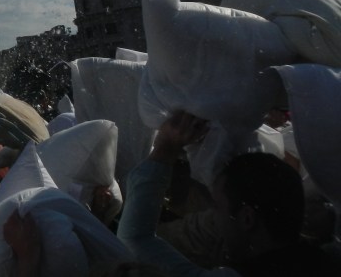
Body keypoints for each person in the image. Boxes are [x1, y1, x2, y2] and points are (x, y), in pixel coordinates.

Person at [118, 110, 335, 277]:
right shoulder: (328, 261)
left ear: (247, 218)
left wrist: (165, 147)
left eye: (218, 207)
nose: (215, 218)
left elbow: (136, 239)